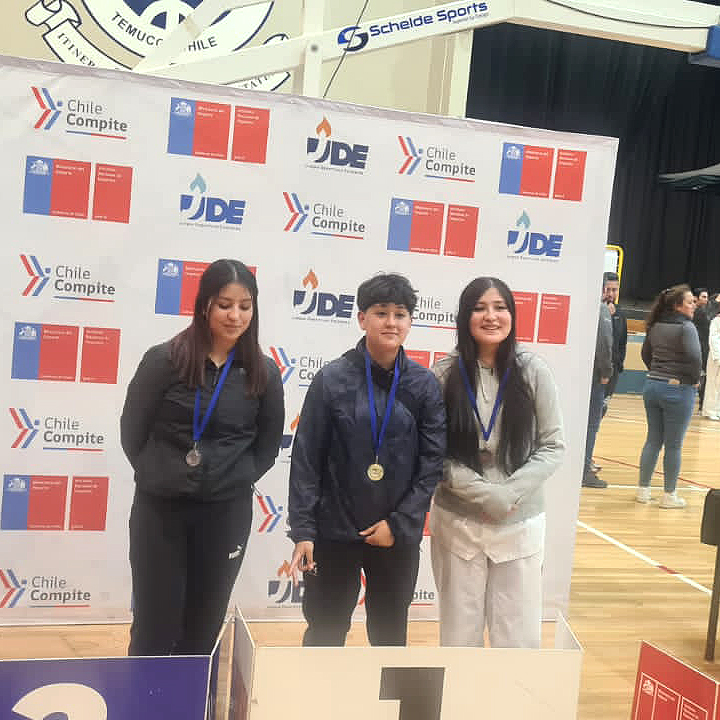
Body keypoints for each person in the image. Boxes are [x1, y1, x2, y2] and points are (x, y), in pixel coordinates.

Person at [121, 259, 284, 655]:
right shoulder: (164, 360)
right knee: (154, 625)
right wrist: (161, 474)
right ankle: (145, 694)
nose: (235, 315)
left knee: (203, 626)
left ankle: (193, 694)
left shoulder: (262, 372)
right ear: (204, 305)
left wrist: (234, 476)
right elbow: (133, 431)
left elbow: (267, 447)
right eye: (224, 305)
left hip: (225, 514)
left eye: (245, 306)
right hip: (161, 512)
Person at [287, 273, 445, 647]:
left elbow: (432, 464)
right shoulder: (331, 380)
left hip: (394, 536)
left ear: (410, 322)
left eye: (400, 314)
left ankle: (384, 694)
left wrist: (400, 523)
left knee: (389, 636)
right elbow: (306, 458)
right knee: (325, 632)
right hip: (333, 532)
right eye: (381, 312)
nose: (391, 322)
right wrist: (304, 530)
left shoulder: (424, 385)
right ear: (362, 318)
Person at [429, 277, 565, 648]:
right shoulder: (443, 375)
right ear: (464, 317)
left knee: (518, 641)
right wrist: (484, 494)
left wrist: (508, 494)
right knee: (459, 639)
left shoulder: (533, 371)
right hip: (459, 524)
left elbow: (553, 445)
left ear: (512, 315)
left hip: (519, 523)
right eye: (479, 308)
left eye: (500, 307)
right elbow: (434, 452)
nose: (491, 316)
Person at [636, 284, 700, 508]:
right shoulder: (686, 327)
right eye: (690, 302)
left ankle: (643, 491)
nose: (694, 305)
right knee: (673, 445)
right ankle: (669, 495)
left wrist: (657, 372)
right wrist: (694, 380)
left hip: (652, 385)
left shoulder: (655, 325)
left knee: (653, 440)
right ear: (677, 306)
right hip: (678, 389)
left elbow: (645, 354)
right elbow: (695, 358)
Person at [582, 302, 613, 488]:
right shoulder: (600, 309)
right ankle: (584, 471)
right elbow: (604, 343)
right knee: (591, 426)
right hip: (594, 377)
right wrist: (606, 372)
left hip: (578, 374)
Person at [602, 272, 627, 402]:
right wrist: (607, 316)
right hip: (597, 370)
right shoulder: (593, 310)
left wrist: (619, 364)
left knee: (604, 406)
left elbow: (622, 342)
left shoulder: (620, 313)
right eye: (608, 290)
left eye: (614, 290)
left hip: (613, 370)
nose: (611, 294)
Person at [693, 288, 710, 410]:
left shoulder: (703, 311)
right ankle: (702, 402)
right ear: (696, 298)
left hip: (703, 347)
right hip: (699, 348)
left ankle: (702, 402)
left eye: (707, 297)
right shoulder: (699, 312)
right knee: (702, 376)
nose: (706, 299)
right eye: (703, 297)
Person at [703, 312, 720, 421]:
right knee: (713, 383)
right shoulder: (716, 321)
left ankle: (717, 410)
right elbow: (713, 339)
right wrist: (717, 357)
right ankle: (710, 410)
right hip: (716, 356)